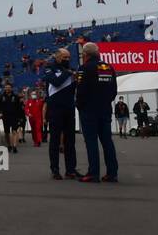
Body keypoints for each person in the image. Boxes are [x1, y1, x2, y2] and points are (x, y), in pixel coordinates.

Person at [75, 42, 118, 183]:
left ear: (85, 55)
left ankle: (93, 173)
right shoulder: (108, 67)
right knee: (107, 141)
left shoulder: (84, 68)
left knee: (91, 142)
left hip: (89, 111)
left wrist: (80, 106)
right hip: (105, 109)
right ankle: (112, 173)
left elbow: (80, 91)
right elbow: (113, 91)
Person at [39, 47, 78, 180]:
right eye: (64, 57)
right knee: (55, 141)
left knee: (70, 141)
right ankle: (55, 170)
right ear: (57, 57)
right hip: (55, 109)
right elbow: (56, 82)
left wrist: (74, 78)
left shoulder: (71, 69)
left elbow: (74, 87)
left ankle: (71, 169)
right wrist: (68, 73)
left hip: (69, 108)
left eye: (68, 58)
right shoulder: (49, 68)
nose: (67, 60)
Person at [0, 81, 24, 153]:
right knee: (7, 133)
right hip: (5, 117)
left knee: (14, 131)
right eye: (6, 88)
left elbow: (19, 108)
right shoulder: (1, 97)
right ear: (4, 88)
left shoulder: (15, 97)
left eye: (9, 88)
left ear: (11, 88)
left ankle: (14, 146)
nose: (7, 89)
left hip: (14, 116)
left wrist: (20, 117)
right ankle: (9, 145)